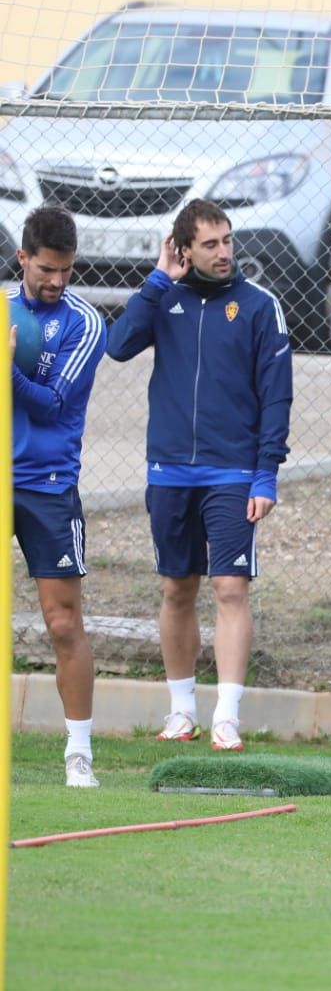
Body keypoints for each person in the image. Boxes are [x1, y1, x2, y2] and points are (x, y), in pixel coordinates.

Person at [105, 199, 292, 751]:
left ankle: (227, 715)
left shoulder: (260, 307)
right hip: (169, 472)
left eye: (228, 241)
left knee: (230, 587)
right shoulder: (165, 298)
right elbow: (117, 348)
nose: (224, 252)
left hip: (233, 472)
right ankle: (181, 710)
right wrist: (158, 280)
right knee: (176, 588)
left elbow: (276, 397)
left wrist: (265, 475)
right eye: (210, 244)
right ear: (183, 249)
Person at [9, 205, 106, 787]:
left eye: (66, 270)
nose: (57, 281)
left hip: (48, 486)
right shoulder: (2, 307)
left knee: (63, 622)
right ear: (23, 257)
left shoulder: (84, 322)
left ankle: (78, 753)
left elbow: (52, 402)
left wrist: (7, 367)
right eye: (47, 269)